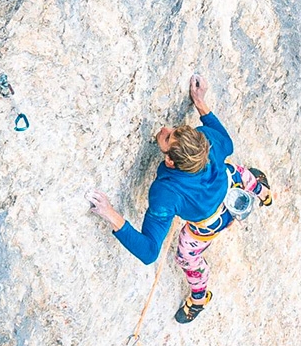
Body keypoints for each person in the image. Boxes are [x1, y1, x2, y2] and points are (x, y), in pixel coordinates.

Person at [86, 74, 271, 323]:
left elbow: (149, 251)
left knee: (187, 258)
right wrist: (200, 101)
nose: (164, 129)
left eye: (167, 137)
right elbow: (226, 141)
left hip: (208, 224)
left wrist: (109, 212)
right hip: (232, 184)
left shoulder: (166, 193)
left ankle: (199, 299)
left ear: (170, 162)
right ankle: (263, 193)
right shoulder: (209, 142)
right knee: (237, 171)